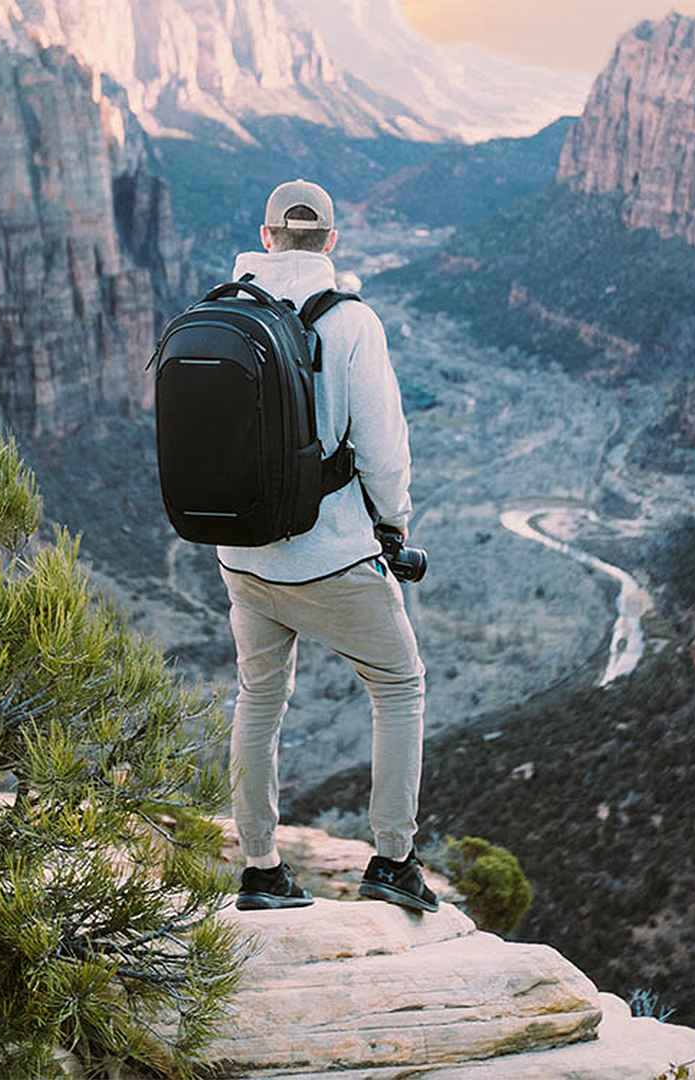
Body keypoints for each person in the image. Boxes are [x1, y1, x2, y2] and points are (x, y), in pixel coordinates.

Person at [218, 178, 435, 914]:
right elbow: (382, 447)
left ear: (266, 234)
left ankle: (259, 869)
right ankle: (393, 859)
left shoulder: (222, 309)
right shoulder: (349, 323)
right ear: (331, 243)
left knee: (259, 698)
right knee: (398, 686)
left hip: (241, 554)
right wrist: (393, 524)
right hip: (331, 557)